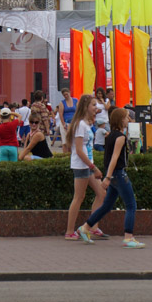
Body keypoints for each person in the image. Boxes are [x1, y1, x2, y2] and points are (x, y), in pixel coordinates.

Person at [78, 106, 145, 247]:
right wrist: (107, 178)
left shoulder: (110, 136)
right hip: (118, 174)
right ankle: (128, 237)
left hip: (114, 175)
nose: (128, 119)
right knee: (131, 205)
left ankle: (85, 227)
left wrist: (109, 176)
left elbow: (110, 157)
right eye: (126, 117)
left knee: (107, 206)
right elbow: (114, 158)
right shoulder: (120, 137)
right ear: (120, 120)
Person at [64, 94, 106, 240]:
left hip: (87, 164)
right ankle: (70, 231)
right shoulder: (80, 125)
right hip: (82, 165)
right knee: (79, 197)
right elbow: (79, 150)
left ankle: (93, 227)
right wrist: (93, 167)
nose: (96, 108)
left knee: (101, 193)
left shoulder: (86, 124)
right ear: (86, 107)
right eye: (93, 105)